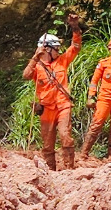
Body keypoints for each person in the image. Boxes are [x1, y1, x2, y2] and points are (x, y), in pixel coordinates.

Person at [25, 32, 79, 169]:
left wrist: (76, 30)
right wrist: (35, 58)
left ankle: (69, 169)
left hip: (63, 106)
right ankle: (51, 171)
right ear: (47, 49)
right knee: (48, 144)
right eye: (56, 49)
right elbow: (25, 75)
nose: (58, 51)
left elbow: (75, 48)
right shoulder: (37, 66)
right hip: (46, 109)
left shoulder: (62, 61)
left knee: (65, 135)